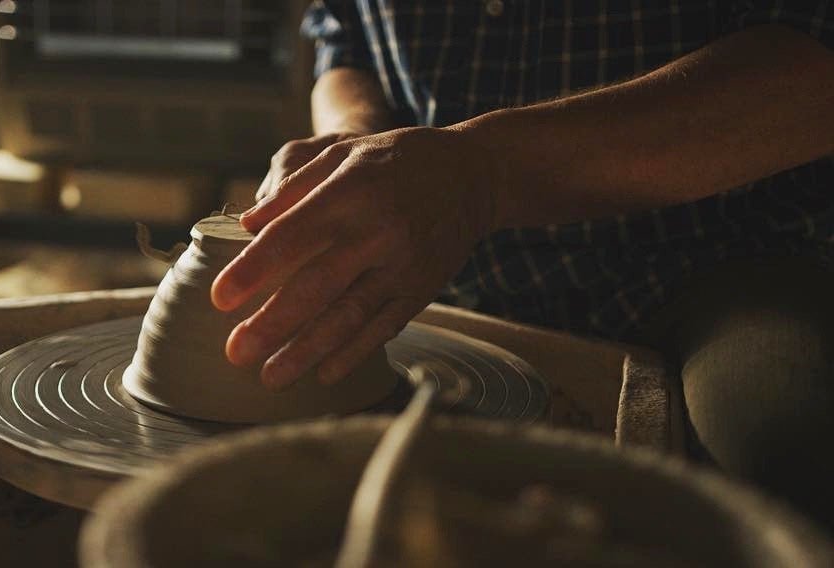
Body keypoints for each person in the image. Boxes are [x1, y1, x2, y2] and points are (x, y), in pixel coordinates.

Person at [212, 0, 834, 528]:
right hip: (436, 262)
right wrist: (355, 141)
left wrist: (484, 172)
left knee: (782, 457)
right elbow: (342, 36)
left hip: (719, 252)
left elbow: (815, 72)